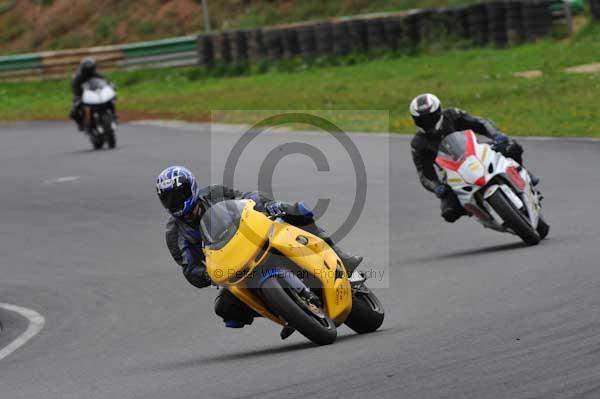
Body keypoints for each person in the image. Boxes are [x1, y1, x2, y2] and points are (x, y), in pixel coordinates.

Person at [156, 166, 363, 329]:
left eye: (179, 194)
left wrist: (269, 205)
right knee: (227, 311)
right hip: (233, 266)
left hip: (255, 238)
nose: (175, 202)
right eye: (169, 199)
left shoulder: (213, 193)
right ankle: (285, 310)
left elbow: (246, 198)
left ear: (191, 187)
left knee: (299, 213)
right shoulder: (174, 234)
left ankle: (341, 258)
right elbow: (190, 269)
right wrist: (208, 275)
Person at [409, 93, 538, 223]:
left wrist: (497, 135)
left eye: (430, 118)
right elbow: (424, 174)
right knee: (449, 213)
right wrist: (437, 187)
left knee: (511, 146)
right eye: (422, 120)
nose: (427, 123)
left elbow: (481, 123)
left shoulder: (452, 114)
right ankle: (481, 211)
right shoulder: (418, 144)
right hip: (451, 173)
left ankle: (522, 172)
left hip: (476, 152)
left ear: (438, 112)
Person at [69, 57, 104, 131]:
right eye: (88, 69)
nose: (89, 71)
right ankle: (80, 124)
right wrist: (78, 96)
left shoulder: (96, 74)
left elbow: (103, 82)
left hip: (93, 94)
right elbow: (75, 88)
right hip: (81, 94)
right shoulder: (78, 77)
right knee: (74, 111)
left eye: (91, 69)